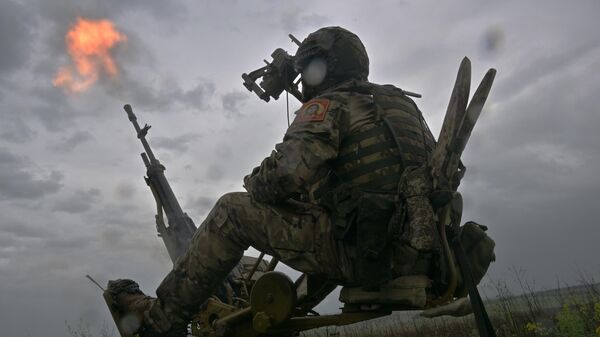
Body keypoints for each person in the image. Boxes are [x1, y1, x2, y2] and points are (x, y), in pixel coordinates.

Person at [107, 26, 438, 337]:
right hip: (421, 251)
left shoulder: (330, 105)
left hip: (366, 254)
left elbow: (282, 177)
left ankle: (159, 323)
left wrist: (254, 181)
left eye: (309, 69)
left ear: (323, 68)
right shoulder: (402, 106)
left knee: (230, 212)